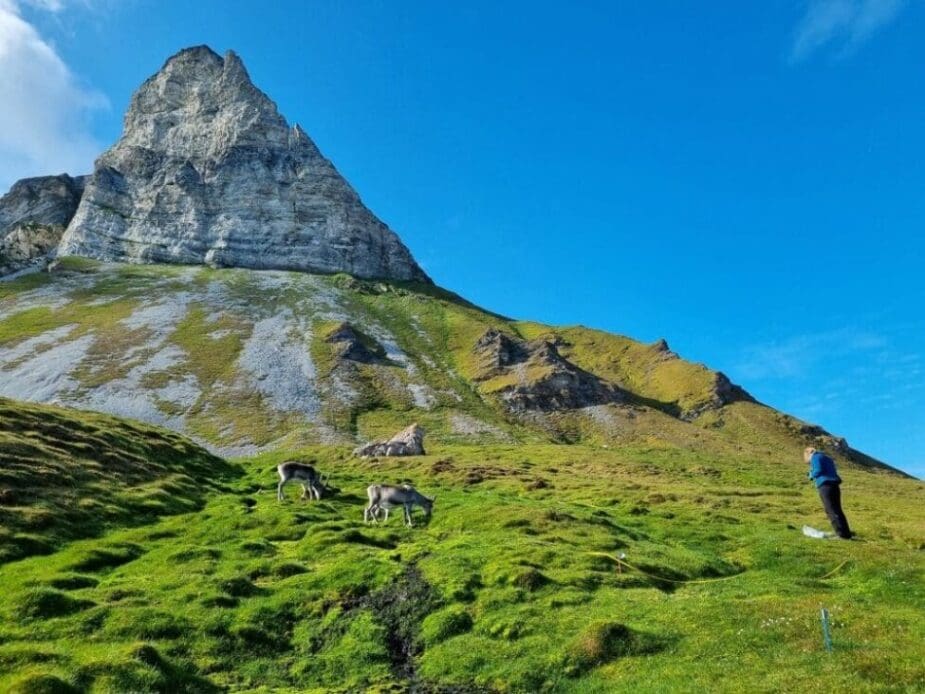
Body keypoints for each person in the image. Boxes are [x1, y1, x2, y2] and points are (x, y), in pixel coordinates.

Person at [804, 447, 852, 539]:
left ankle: (841, 534)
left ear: (809, 453)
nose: (810, 462)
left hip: (825, 485)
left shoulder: (815, 457)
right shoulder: (827, 458)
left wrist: (811, 475)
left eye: (808, 461)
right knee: (837, 509)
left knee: (830, 510)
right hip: (834, 485)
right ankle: (846, 533)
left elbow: (818, 469)